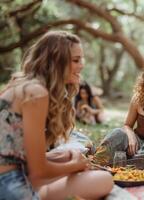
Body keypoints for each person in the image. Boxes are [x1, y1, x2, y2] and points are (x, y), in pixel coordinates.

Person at [0, 31, 113, 200]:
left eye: (81, 59)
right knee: (103, 179)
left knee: (79, 165)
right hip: (9, 185)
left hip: (15, 173)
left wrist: (64, 158)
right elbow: (38, 170)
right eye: (76, 60)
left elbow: (19, 155)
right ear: (55, 62)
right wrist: (74, 165)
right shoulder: (36, 92)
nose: (81, 65)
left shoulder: (24, 86)